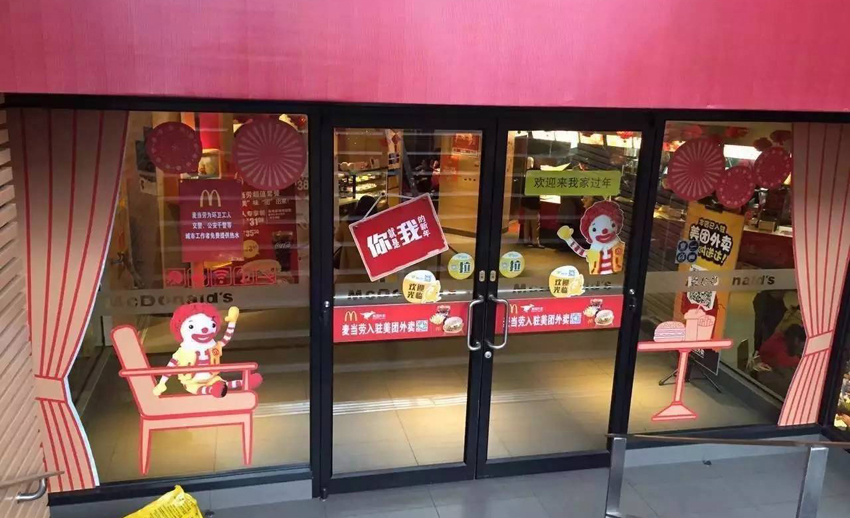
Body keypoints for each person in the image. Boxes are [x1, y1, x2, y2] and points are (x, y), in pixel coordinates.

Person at [334, 195, 376, 283]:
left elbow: (338, 238)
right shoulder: (375, 225)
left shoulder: (347, 224)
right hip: (368, 271)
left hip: (348, 268)